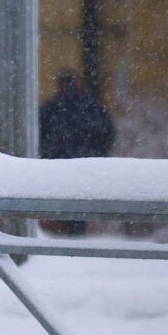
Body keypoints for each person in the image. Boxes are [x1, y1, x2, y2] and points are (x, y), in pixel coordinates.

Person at [37, 70, 118, 239]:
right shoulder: (91, 106)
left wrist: (48, 157)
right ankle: (76, 235)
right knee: (79, 205)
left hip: (59, 165)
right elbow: (107, 133)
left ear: (59, 85)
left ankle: (67, 235)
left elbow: (39, 136)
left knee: (64, 202)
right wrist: (98, 155)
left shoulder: (52, 108)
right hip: (86, 165)